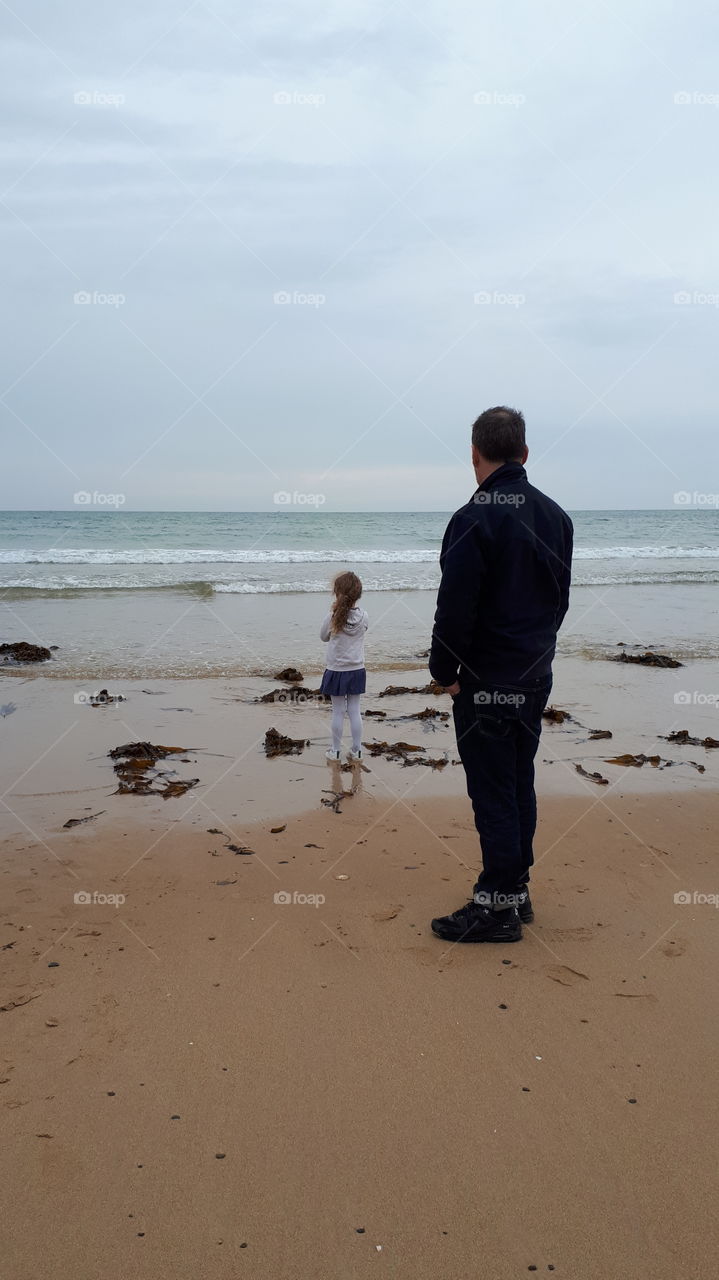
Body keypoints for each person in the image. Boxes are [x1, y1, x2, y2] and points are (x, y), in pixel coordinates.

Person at [429, 406, 573, 944]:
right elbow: (559, 602)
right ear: (525, 454)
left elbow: (455, 610)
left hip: (487, 680)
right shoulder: (556, 517)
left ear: (475, 454)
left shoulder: (474, 518)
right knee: (517, 782)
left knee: (494, 791)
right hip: (534, 674)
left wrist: (444, 672)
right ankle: (516, 888)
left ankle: (496, 908)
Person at [319, 571, 368, 762]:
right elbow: (363, 630)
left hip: (336, 670)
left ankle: (335, 750)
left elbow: (323, 637)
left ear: (337, 593)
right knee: (355, 710)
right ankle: (357, 751)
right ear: (358, 594)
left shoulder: (332, 616)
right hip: (357, 669)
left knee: (338, 711)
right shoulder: (364, 616)